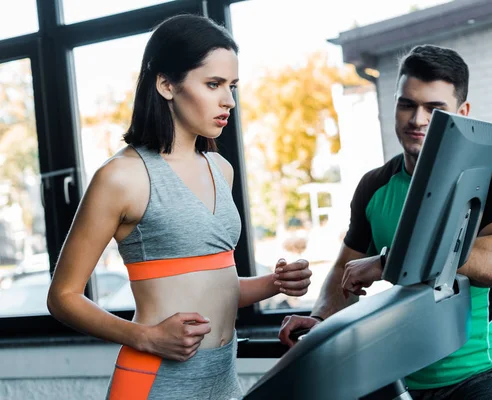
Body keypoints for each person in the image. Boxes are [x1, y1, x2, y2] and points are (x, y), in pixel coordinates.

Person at [47, 14, 312, 400]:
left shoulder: (220, 169)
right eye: (213, 84)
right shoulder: (122, 176)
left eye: (232, 86)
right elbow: (62, 296)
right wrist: (146, 337)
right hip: (153, 382)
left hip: (222, 380)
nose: (229, 101)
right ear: (166, 84)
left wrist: (275, 283)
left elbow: (212, 287)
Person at [279, 44, 492, 399]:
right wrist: (321, 322)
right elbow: (346, 269)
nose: (417, 119)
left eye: (434, 108)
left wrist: (389, 262)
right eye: (407, 104)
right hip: (406, 379)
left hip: (488, 374)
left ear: (462, 112)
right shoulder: (375, 186)